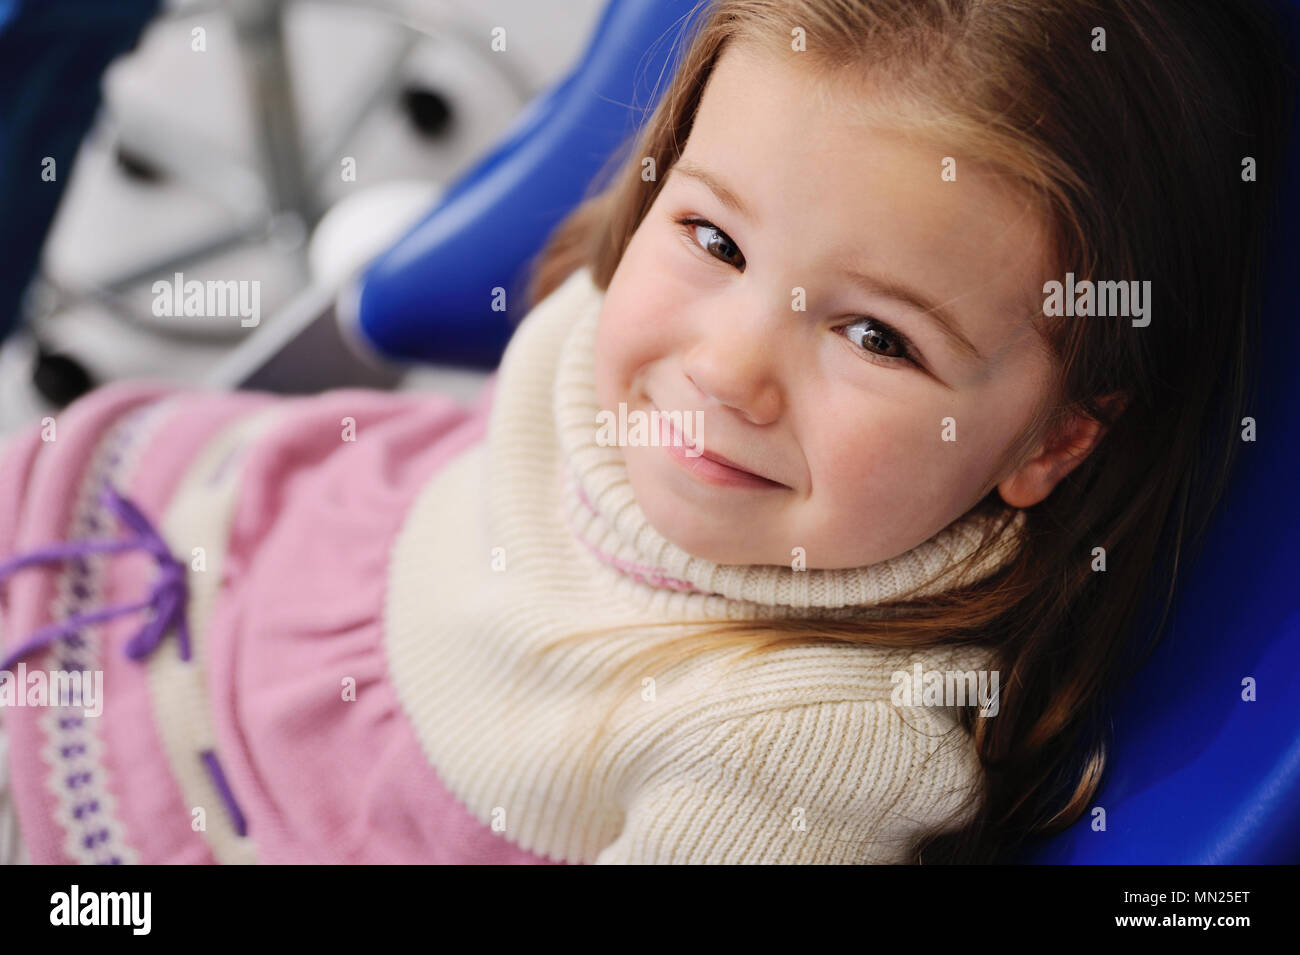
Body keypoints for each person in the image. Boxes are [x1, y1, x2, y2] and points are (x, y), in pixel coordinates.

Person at [0, 0, 1290, 864]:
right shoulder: (653, 303)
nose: (725, 368)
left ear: (1050, 444)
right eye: (715, 237)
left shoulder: (790, 760)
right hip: (213, 542)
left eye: (876, 338)